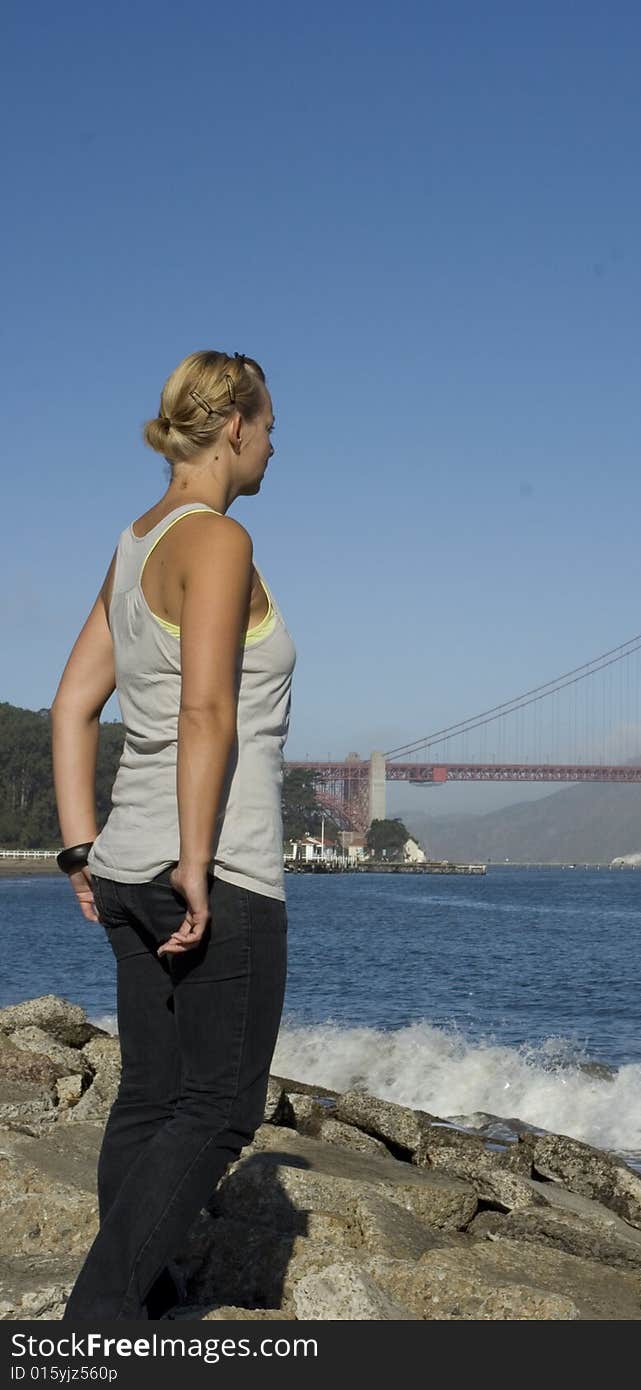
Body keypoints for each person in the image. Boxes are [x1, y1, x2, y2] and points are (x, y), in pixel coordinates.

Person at [51, 350, 295, 1320]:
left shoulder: (132, 542)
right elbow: (207, 712)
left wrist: (81, 849)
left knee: (150, 1096)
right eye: (272, 426)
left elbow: (73, 704)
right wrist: (196, 864)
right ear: (233, 427)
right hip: (217, 867)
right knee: (220, 1108)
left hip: (122, 866)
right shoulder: (218, 540)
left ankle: (139, 1291)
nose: (277, 446)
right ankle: (95, 1321)